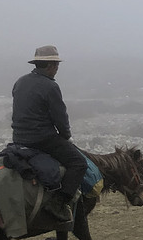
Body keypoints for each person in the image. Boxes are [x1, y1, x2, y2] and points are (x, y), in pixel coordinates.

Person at [11, 45, 87, 223]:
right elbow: (60, 117)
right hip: (42, 139)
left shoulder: (20, 81)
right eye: (56, 66)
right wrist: (65, 136)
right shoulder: (50, 87)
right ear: (51, 66)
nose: (57, 70)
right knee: (79, 163)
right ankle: (59, 203)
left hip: (19, 138)